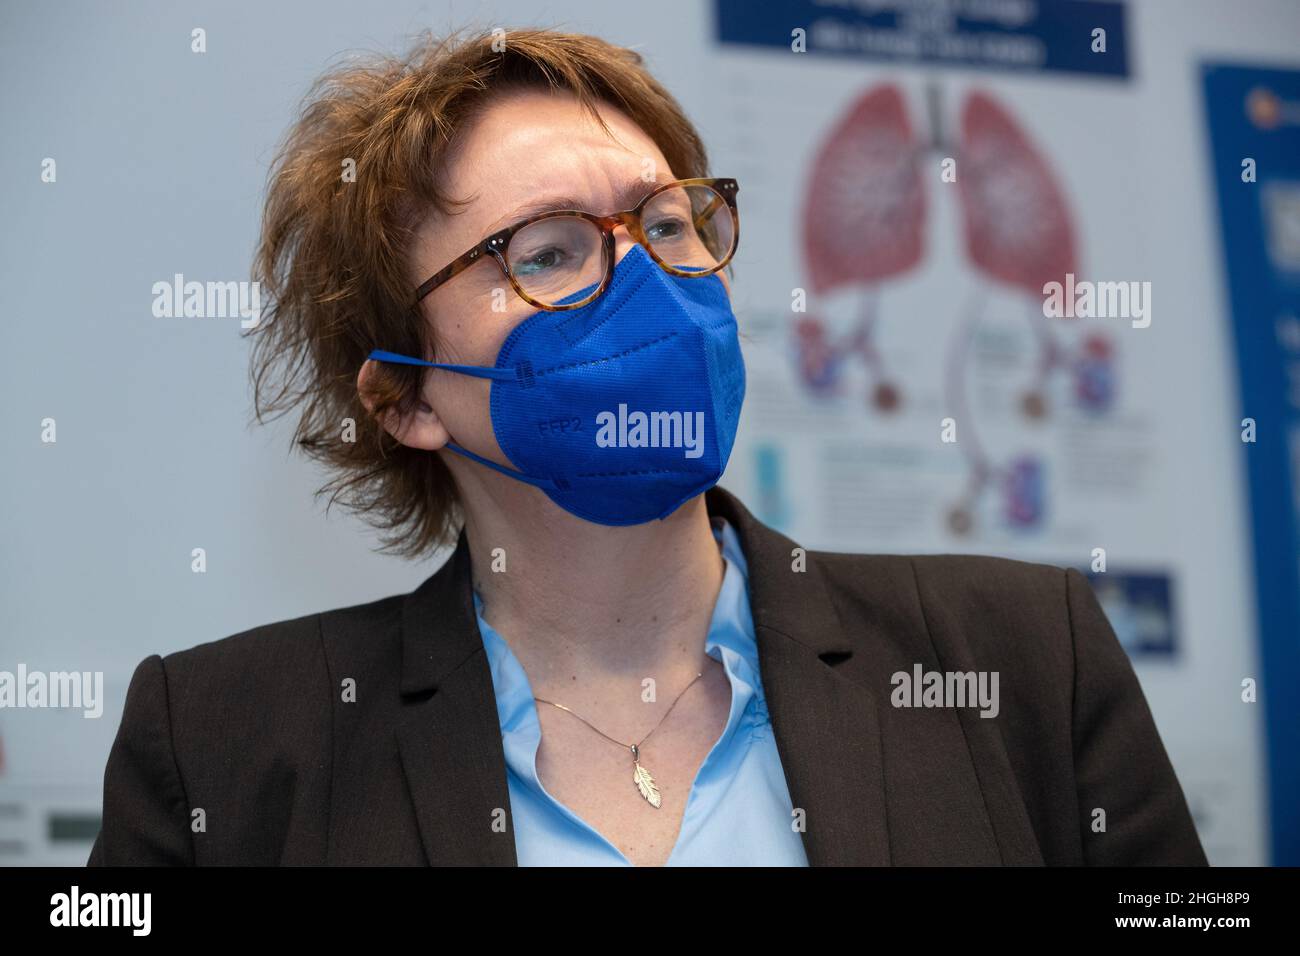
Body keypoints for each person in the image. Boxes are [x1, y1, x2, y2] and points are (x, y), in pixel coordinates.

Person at [87, 27, 1207, 867]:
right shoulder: (224, 747)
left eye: (666, 223)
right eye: (548, 249)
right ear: (402, 400)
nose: (645, 282)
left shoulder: (1022, 659)